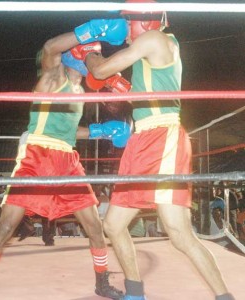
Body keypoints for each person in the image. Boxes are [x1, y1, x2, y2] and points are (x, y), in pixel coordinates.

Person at [0, 19, 130, 300]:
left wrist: (101, 131)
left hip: (67, 159)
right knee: (6, 226)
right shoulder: (55, 78)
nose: (99, 60)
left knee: (94, 226)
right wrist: (93, 28)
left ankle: (101, 282)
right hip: (37, 156)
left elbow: (68, 132)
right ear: (82, 53)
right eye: (96, 53)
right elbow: (50, 47)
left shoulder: (79, 94)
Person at [83, 1, 235, 299]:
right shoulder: (148, 48)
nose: (125, 31)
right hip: (142, 140)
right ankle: (135, 293)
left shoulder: (154, 39)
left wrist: (87, 50)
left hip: (163, 137)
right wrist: (125, 90)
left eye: (128, 23)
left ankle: (224, 296)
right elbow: (144, 94)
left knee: (178, 233)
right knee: (113, 225)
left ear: (147, 21)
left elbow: (99, 72)